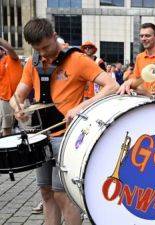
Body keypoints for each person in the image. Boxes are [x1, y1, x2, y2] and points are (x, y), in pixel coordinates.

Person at [9, 18, 119, 225]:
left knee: (62, 195)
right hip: (40, 136)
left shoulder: (77, 59)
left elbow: (111, 85)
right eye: (37, 49)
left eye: (45, 47)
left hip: (67, 137)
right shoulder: (33, 63)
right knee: (46, 192)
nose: (42, 53)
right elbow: (18, 95)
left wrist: (81, 107)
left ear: (53, 35)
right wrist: (18, 109)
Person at [0, 38, 23, 136]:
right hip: (4, 99)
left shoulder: (12, 57)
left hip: (21, 97)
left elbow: (10, 49)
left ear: (3, 50)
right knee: (6, 127)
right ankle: (8, 149)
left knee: (25, 126)